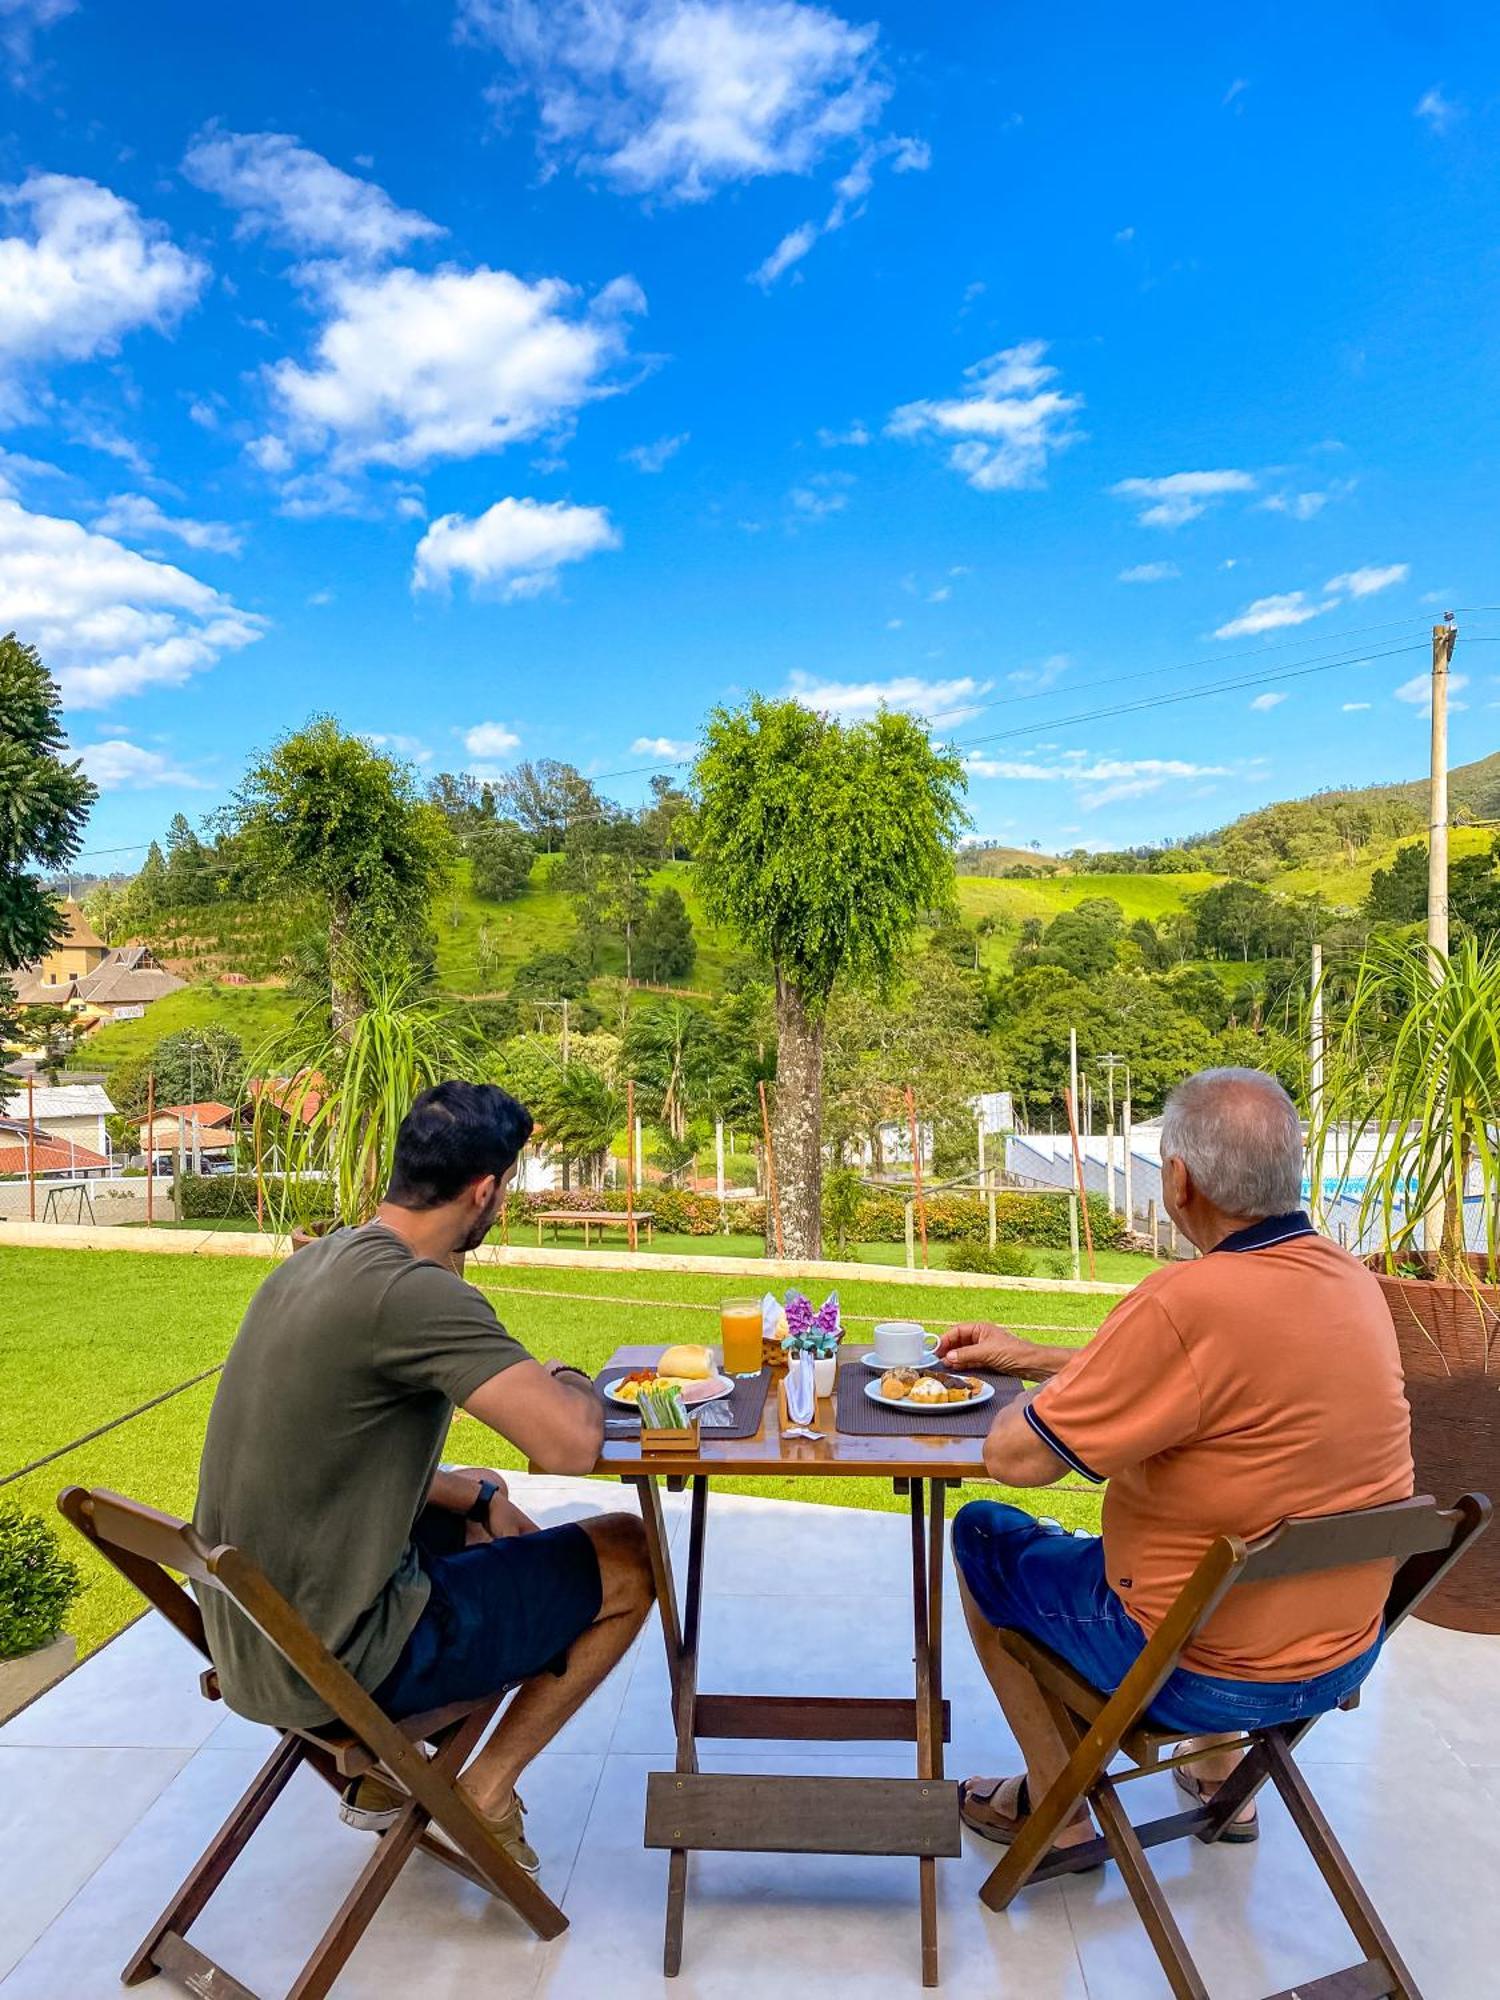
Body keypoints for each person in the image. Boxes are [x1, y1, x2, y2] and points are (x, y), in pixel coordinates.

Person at [944, 1067, 1412, 1856]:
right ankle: (1221, 1778)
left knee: (987, 1535)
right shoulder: (1350, 1281)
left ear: (1178, 1180)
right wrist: (1044, 1359)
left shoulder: (1184, 1303)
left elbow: (1014, 1459)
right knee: (1240, 1523)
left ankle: (1051, 1813)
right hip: (1339, 1655)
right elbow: (1217, 1391)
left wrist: (1030, 1397)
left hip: (1196, 1665)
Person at [193, 1080, 654, 1878]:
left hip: (250, 1637)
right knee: (630, 1555)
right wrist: (574, 1375)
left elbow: (336, 1447)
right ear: (486, 1190)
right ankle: (483, 1792)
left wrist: (476, 1495)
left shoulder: (317, 1261)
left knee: (481, 1513)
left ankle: (385, 1784)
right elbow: (571, 1445)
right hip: (336, 1661)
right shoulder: (414, 1293)